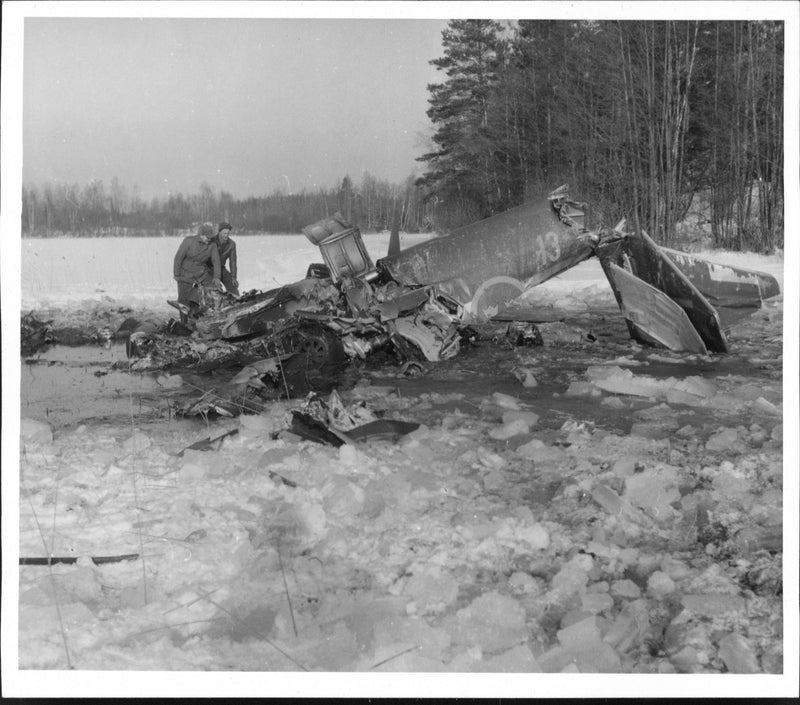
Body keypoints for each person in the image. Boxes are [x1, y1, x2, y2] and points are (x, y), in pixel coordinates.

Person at [173, 222, 222, 309]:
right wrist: (177, 274)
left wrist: (217, 277)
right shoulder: (188, 241)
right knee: (183, 301)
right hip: (185, 273)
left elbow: (216, 262)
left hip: (201, 273)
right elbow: (178, 258)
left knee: (213, 288)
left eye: (211, 237)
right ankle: (184, 320)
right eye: (207, 237)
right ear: (201, 235)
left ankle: (210, 311)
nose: (209, 239)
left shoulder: (212, 245)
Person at [214, 221, 239, 295]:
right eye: (224, 233)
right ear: (219, 232)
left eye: (228, 234)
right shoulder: (212, 241)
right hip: (209, 268)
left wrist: (233, 277)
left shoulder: (231, 244)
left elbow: (233, 262)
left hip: (221, 268)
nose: (226, 236)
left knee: (232, 285)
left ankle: (236, 300)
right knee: (213, 287)